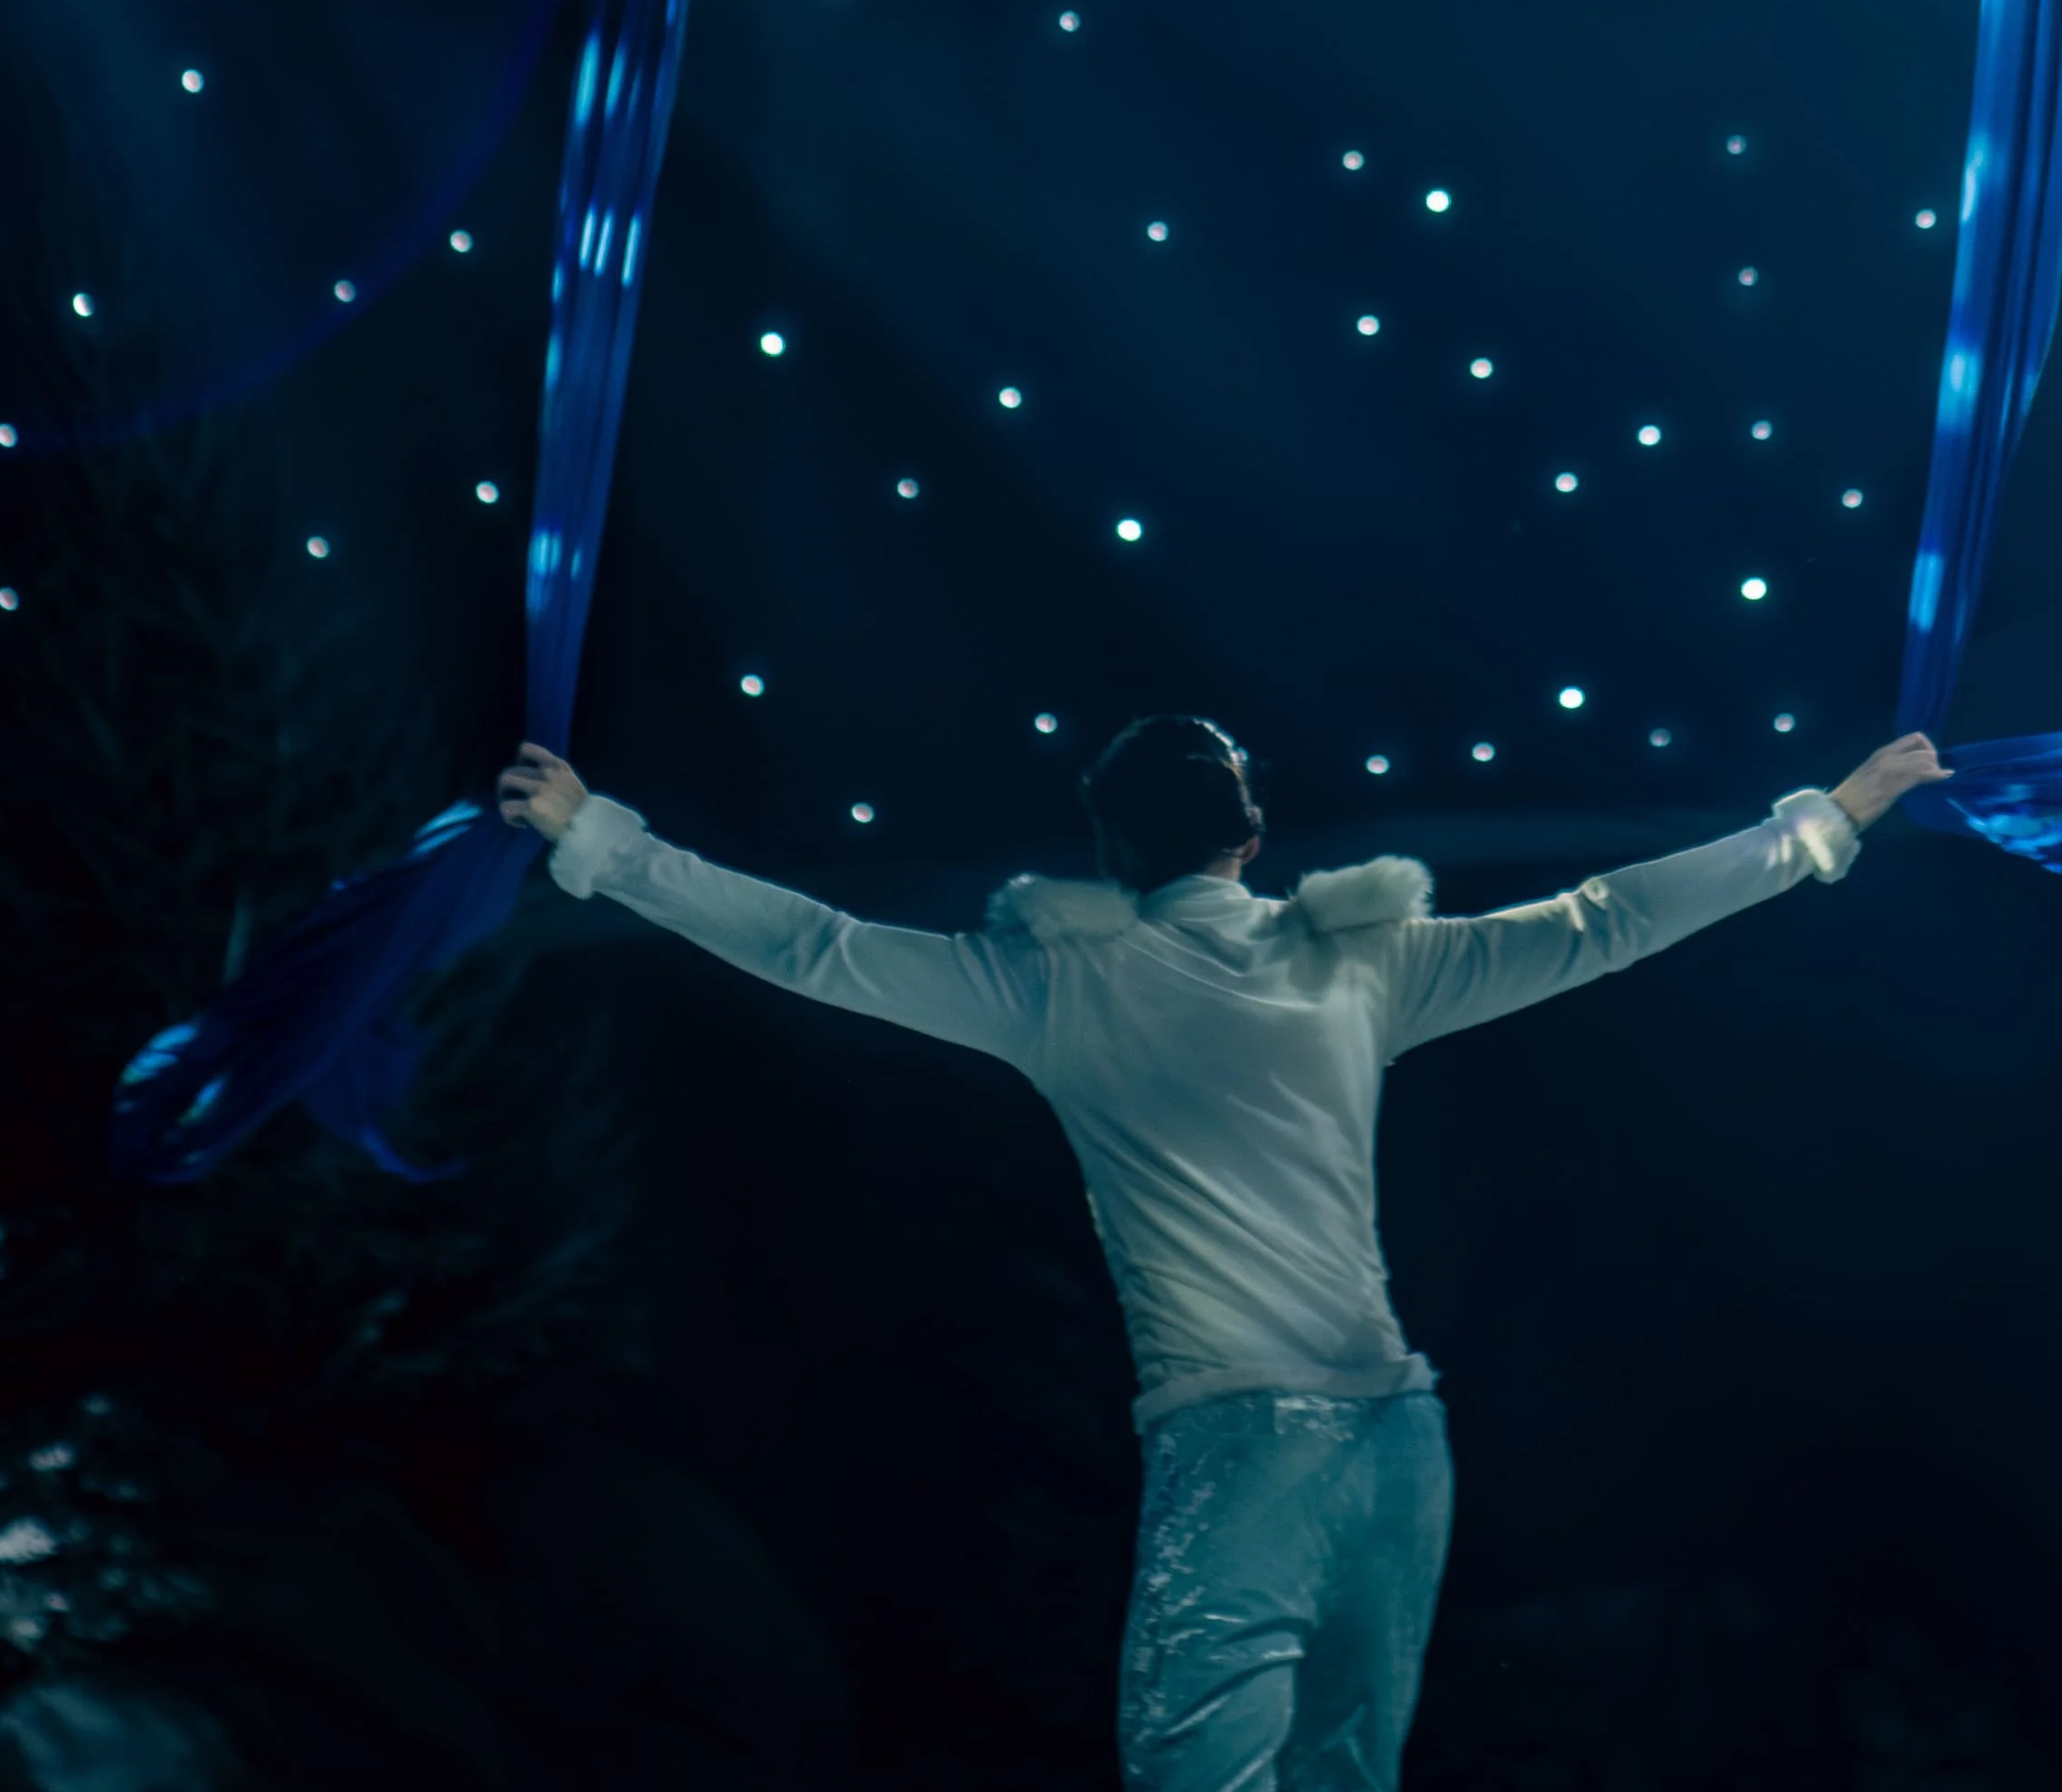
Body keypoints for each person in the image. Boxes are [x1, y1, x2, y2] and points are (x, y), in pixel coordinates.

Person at [497, 708, 1946, 1788]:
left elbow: (812, 945)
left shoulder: (1049, 987)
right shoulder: (1358, 961)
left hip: (1244, 1452)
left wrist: (599, 840)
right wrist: (1833, 816)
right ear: (1248, 837)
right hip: (1399, 1452)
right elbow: (1609, 920)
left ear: (1108, 853)